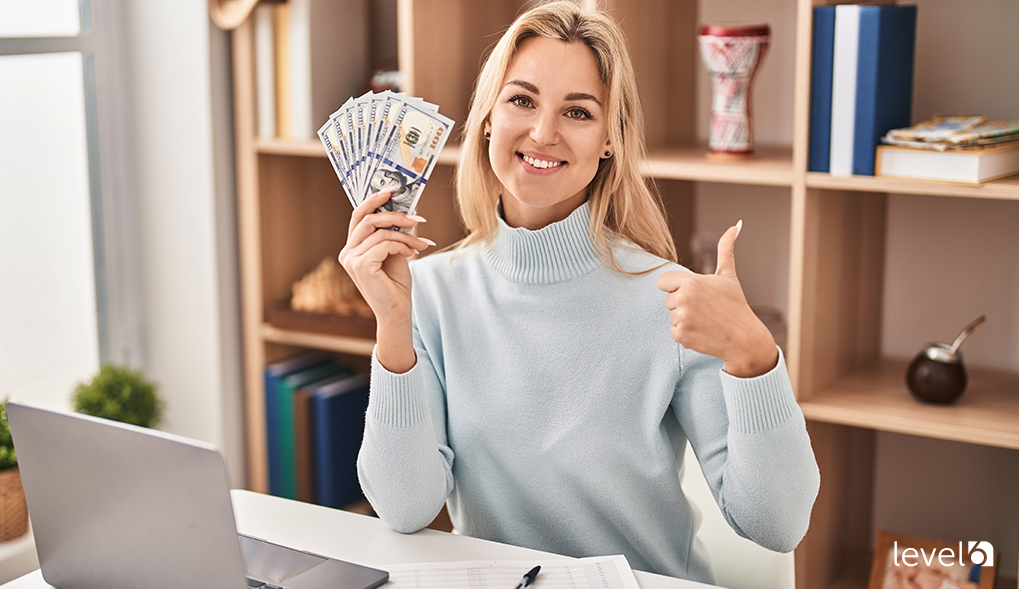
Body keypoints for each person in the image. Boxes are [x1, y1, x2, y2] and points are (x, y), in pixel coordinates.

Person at [338, 1, 820, 583]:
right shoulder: (431, 292)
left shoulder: (672, 299)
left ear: (610, 140)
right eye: (521, 100)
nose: (543, 133)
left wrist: (755, 357)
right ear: (488, 117)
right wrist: (392, 329)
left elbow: (777, 524)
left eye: (578, 111)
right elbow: (406, 507)